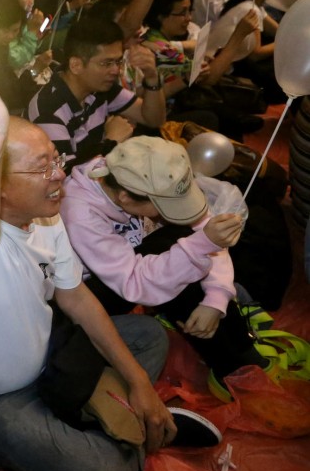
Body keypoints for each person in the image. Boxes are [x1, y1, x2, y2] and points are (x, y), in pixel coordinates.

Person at [0, 85, 180, 471]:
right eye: (42, 167)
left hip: (50, 363)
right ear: (0, 184)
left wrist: (139, 380)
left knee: (149, 335)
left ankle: (113, 416)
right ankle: (118, 428)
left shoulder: (47, 217)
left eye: (56, 160)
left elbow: (76, 297)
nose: (59, 174)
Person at [61, 136, 269, 399]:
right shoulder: (80, 213)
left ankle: (239, 351)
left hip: (131, 272)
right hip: (85, 297)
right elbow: (135, 283)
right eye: (162, 204)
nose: (169, 210)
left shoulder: (138, 170)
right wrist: (202, 245)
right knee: (177, 249)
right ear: (125, 197)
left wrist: (216, 298)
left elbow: (203, 228)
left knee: (182, 246)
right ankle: (234, 366)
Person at [27, 17, 166, 170]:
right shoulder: (49, 112)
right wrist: (110, 142)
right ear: (76, 65)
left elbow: (153, 119)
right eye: (106, 63)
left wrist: (152, 77)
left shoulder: (99, 89)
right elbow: (65, 181)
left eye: (118, 61)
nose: (116, 71)